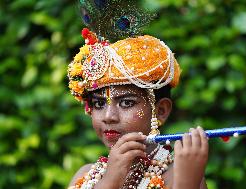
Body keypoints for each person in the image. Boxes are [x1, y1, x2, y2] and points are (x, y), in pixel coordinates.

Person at [67, 3, 209, 188]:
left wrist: (186, 182)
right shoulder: (85, 175)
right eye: (99, 104)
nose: (109, 116)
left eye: (126, 103)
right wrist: (110, 180)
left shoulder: (179, 174)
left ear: (160, 111)